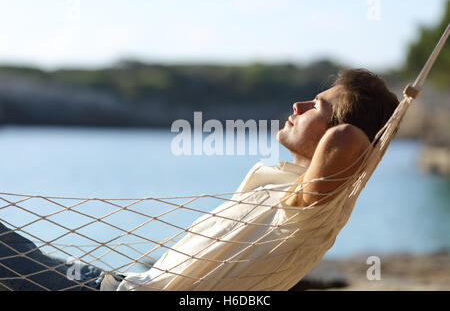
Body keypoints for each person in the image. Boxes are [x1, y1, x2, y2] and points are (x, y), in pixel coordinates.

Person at [0, 68, 399, 291]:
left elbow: (346, 139)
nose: (298, 105)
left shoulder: (308, 212)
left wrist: (372, 136)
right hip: (115, 283)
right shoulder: (286, 186)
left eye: (318, 106)